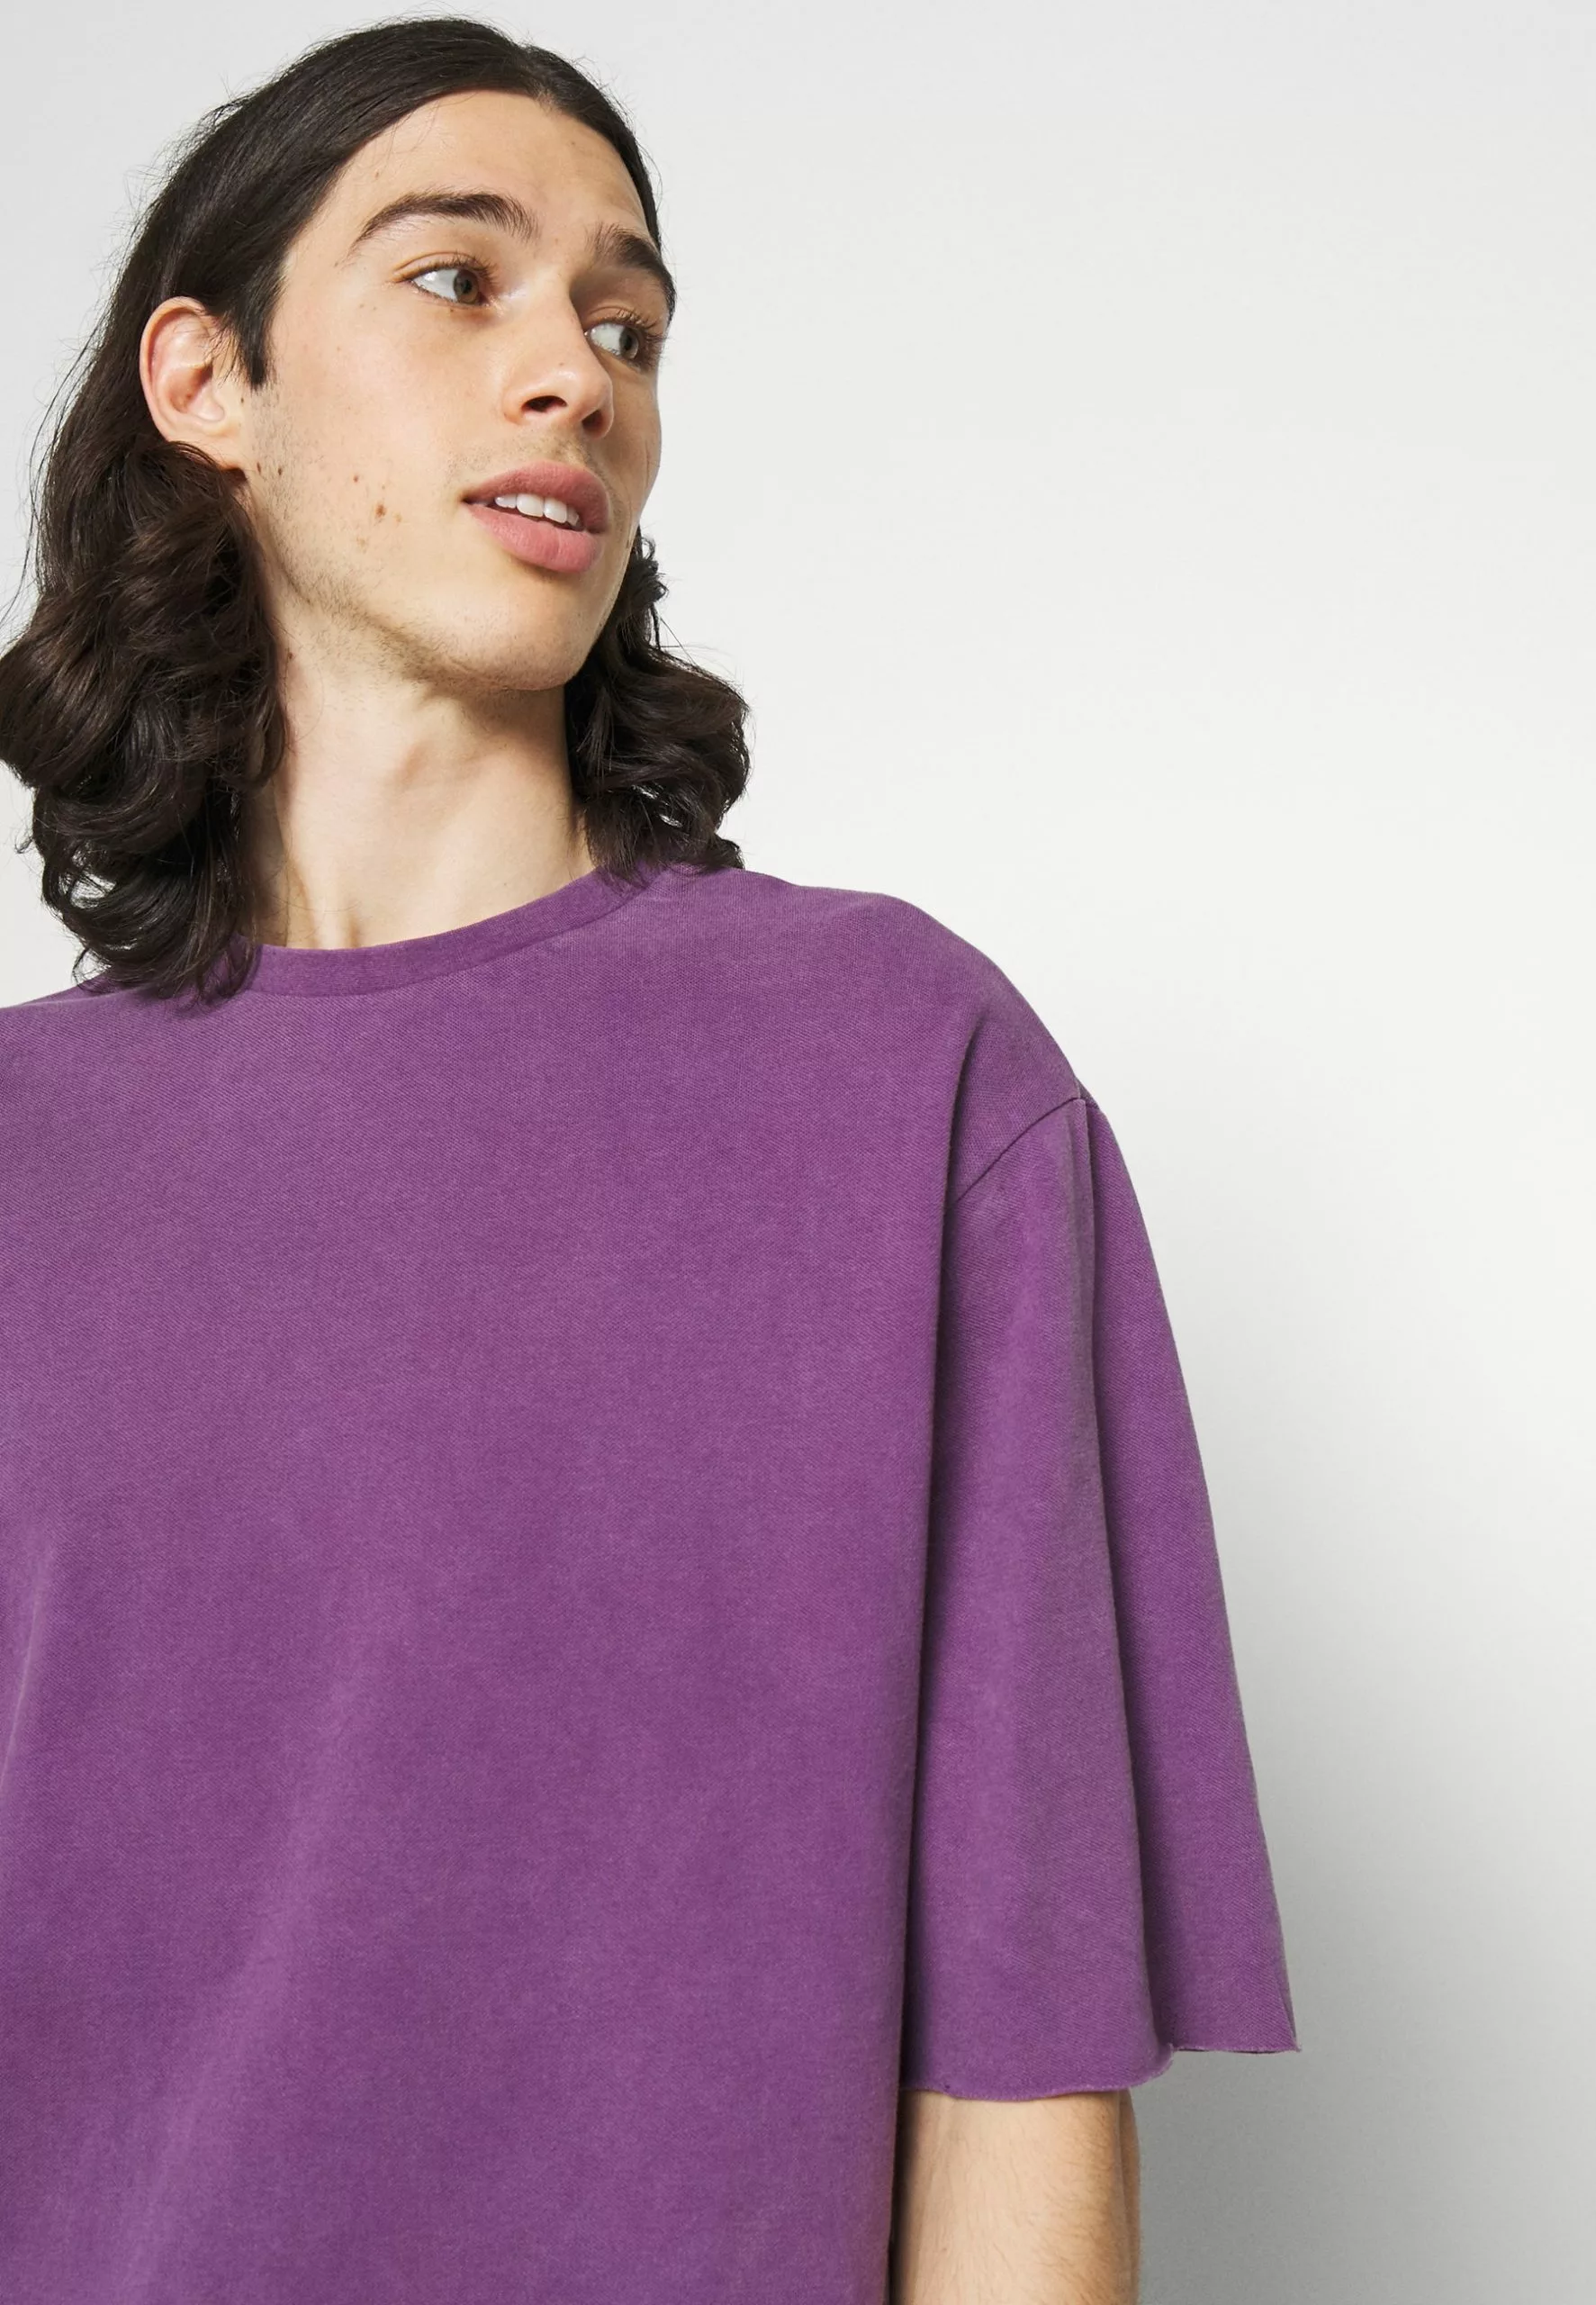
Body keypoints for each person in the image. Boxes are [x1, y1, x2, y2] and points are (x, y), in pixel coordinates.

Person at [0, 18, 1298, 2302]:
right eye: (457, 279)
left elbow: (1020, 2053)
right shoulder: (28, 1155)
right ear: (206, 381)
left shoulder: (904, 1075)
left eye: (627, 327)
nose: (574, 376)